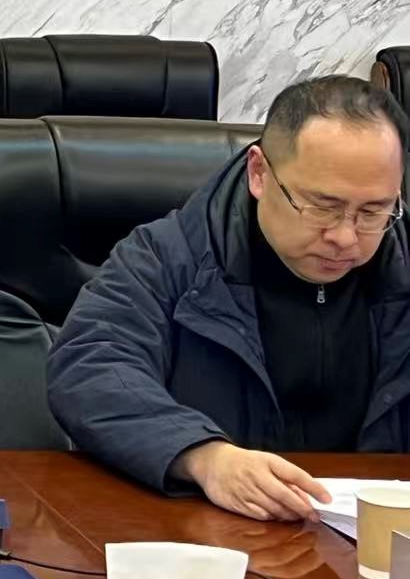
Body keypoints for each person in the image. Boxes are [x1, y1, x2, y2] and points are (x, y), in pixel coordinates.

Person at [48, 75, 410, 522]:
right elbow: (89, 366)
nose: (345, 237)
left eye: (373, 211)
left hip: (376, 538)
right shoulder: (169, 256)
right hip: (204, 531)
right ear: (259, 174)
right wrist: (203, 455)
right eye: (322, 206)